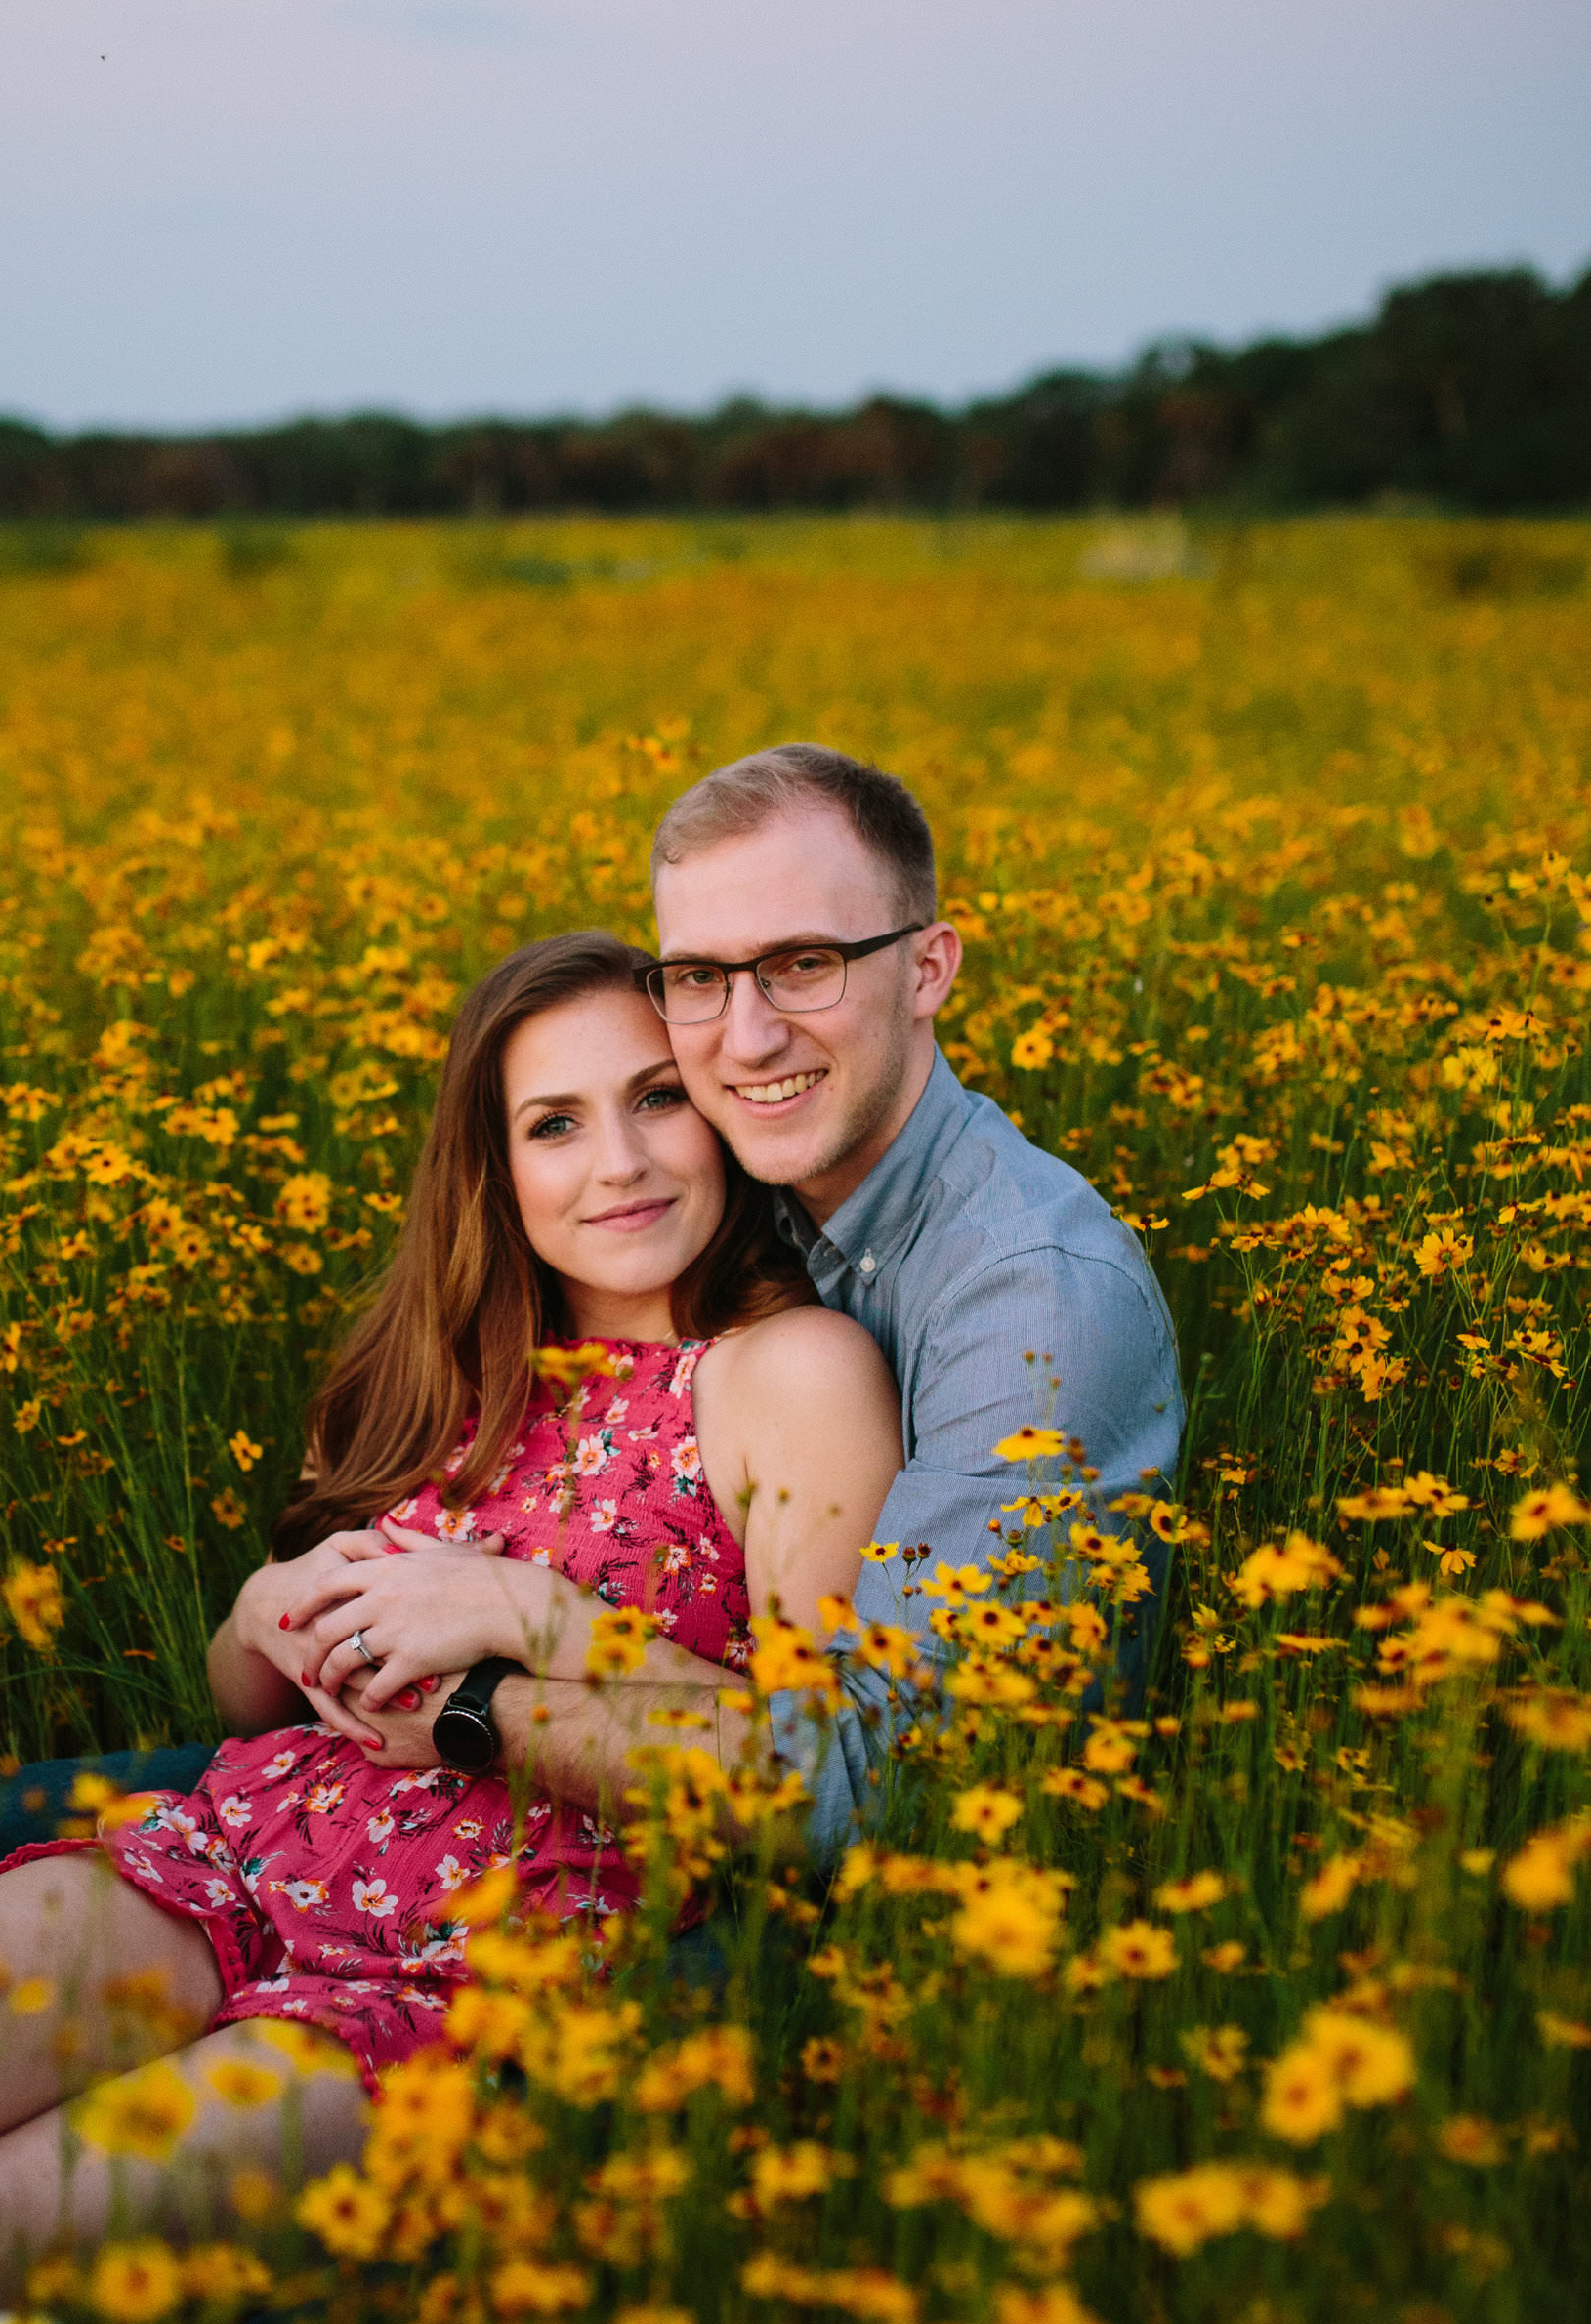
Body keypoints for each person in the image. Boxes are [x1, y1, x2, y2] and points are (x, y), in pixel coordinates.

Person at [0, 932, 902, 2275]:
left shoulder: (788, 1373)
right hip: (217, 1863)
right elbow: (247, 1701)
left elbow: (815, 1763)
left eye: (656, 1098)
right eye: (553, 1124)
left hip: (463, 1982)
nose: (617, 1161)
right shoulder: (448, 1363)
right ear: (494, 1172)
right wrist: (268, 1607)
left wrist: (526, 1611)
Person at [302, 745, 1185, 1854]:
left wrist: (485, 1698)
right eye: (703, 977)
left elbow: (898, 1795)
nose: (748, 1036)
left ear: (928, 969)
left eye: (806, 963)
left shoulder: (1036, 1307)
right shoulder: (722, 1192)